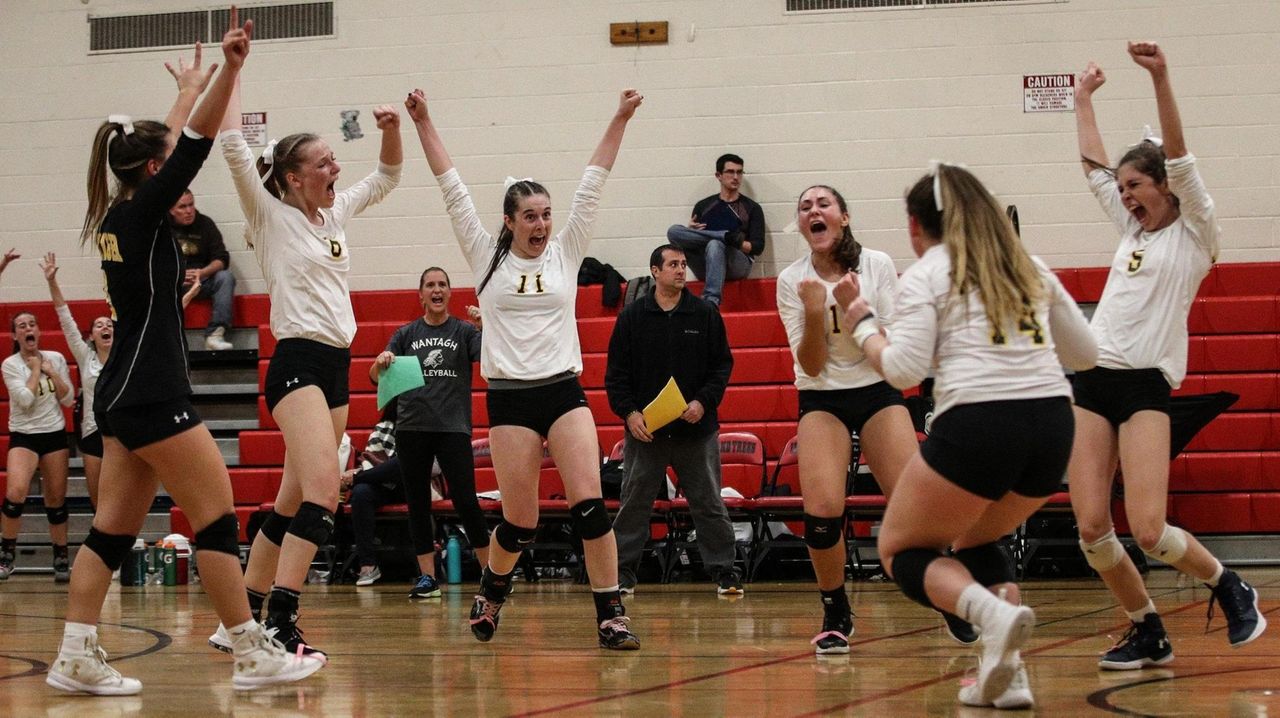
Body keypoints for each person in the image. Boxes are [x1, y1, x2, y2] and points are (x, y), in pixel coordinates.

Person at [48, 16, 323, 696]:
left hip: (120, 394)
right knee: (218, 520)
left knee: (111, 533)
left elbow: (158, 146)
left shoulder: (120, 211)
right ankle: (254, 654)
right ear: (151, 172)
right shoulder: (143, 215)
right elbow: (191, 148)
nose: (172, 171)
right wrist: (230, 71)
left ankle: (75, 656)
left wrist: (189, 88)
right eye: (161, 165)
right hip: (152, 393)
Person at [844, 162, 1098, 708]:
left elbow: (904, 371)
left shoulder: (930, 271)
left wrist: (863, 324)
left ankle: (991, 613)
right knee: (978, 540)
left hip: (983, 421)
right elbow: (1086, 354)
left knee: (902, 549)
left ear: (916, 226)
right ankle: (1007, 677)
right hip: (1054, 423)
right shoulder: (1026, 264)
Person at [406, 85, 643, 650]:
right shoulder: (485, 255)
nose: (541, 224)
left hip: (563, 392)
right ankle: (492, 592)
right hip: (510, 398)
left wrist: (620, 115)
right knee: (521, 523)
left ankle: (610, 615)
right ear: (510, 221)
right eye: (530, 216)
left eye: (546, 215)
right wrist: (423, 120)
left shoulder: (566, 250)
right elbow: (451, 187)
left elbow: (595, 178)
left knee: (590, 507)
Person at [1069, 41, 1267, 671]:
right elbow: (1092, 167)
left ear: (1164, 187)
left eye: (1136, 186)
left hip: (1144, 386)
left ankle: (1229, 584)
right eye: (1122, 187)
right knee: (1092, 529)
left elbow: (1179, 157)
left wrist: (1159, 76)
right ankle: (1146, 628)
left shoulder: (1196, 229)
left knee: (1149, 530)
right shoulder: (1131, 229)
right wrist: (1081, 99)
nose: (1124, 195)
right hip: (1092, 382)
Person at [212, 54, 402, 661]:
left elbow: (387, 176)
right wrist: (233, 70)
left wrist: (393, 127)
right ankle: (281, 620)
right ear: (294, 177)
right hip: (295, 362)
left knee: (293, 500)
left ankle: (234, 620)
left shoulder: (335, 212)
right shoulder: (268, 215)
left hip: (337, 366)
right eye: (323, 162)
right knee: (324, 488)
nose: (334, 167)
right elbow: (236, 147)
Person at [775, 185, 922, 654]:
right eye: (805, 207)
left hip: (877, 388)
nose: (813, 211)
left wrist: (857, 309)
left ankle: (946, 594)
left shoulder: (876, 265)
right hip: (822, 396)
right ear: (801, 225)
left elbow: (890, 353)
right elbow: (813, 366)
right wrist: (816, 313)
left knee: (915, 503)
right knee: (821, 515)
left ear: (844, 216)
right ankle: (836, 608)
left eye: (823, 204)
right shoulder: (792, 281)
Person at [605, 244, 738, 596]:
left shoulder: (704, 314)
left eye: (683, 265)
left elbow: (722, 366)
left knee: (708, 502)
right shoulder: (631, 317)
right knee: (634, 503)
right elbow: (615, 376)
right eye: (673, 265)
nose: (681, 270)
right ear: (655, 271)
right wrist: (630, 414)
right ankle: (621, 573)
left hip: (695, 429)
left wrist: (702, 402)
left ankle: (724, 570)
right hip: (646, 432)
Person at [370, 266, 488, 599]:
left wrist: (486, 326)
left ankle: (492, 575)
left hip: (453, 428)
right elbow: (374, 377)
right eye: (430, 285)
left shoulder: (464, 332)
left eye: (442, 285)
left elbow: (493, 361)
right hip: (412, 428)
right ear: (421, 294)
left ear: (450, 293)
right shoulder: (405, 334)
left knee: (466, 501)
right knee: (418, 503)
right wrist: (381, 361)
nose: (436, 290)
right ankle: (427, 578)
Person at [1, 311, 73, 581]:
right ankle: (7, 554)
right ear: (15, 335)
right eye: (22, 326)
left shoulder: (54, 358)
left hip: (54, 434)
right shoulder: (10, 364)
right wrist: (34, 370)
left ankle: (61, 556)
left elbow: (67, 400)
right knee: (16, 492)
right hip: (24, 435)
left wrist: (52, 372)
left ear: (38, 331)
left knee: (55, 500)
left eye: (32, 324)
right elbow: (25, 400)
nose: (28, 329)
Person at [40, 253, 113, 510]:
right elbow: (66, 319)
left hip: (123, 432)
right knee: (99, 504)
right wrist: (52, 282)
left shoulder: (126, 356)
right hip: (93, 433)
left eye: (109, 324)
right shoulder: (86, 357)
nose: (105, 327)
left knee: (122, 502)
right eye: (99, 325)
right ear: (92, 336)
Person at [665, 153, 765, 308]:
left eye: (739, 172)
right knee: (673, 231)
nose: (736, 177)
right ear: (719, 175)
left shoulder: (751, 208)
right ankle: (723, 236)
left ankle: (711, 302)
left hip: (737, 264)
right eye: (730, 172)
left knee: (715, 244)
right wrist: (692, 231)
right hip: (705, 264)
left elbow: (757, 248)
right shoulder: (703, 206)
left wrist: (736, 242)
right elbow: (689, 241)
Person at [168, 189, 236, 350]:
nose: (189, 211)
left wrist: (202, 273)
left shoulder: (205, 224)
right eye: (182, 207)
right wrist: (175, 275)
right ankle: (164, 337)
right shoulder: (162, 228)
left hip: (202, 280)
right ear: (171, 209)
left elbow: (222, 258)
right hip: (172, 283)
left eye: (191, 205)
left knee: (225, 277)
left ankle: (215, 334)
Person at [341, 410, 401, 586]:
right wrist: (360, 477)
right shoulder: (384, 427)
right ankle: (367, 565)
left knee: (402, 468)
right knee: (361, 492)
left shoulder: (426, 426)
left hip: (418, 485)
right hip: (384, 485)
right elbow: (370, 463)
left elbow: (403, 466)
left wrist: (356, 477)